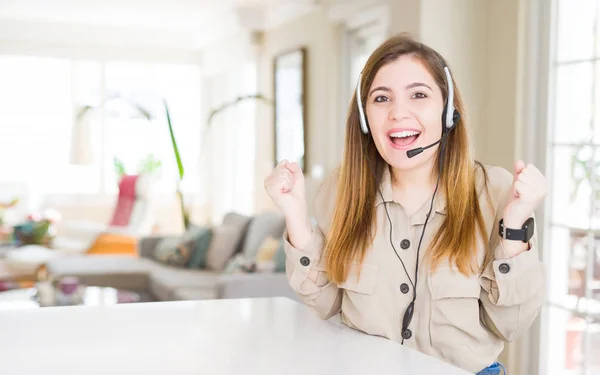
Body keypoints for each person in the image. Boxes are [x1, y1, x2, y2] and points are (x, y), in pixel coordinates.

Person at [264, 33, 547, 375]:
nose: (398, 113)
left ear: (447, 111)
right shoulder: (341, 191)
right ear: (366, 118)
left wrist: (515, 226)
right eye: (382, 98)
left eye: (418, 95)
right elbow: (326, 304)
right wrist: (295, 215)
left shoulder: (495, 191)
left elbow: (510, 325)